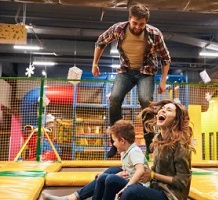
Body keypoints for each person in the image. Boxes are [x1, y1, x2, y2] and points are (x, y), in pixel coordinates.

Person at [92, 3, 171, 158]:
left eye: (141, 24)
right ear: (129, 19)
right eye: (135, 23)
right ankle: (115, 141)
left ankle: (150, 144)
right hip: (126, 71)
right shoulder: (118, 29)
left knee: (145, 101)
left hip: (146, 72)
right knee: (114, 98)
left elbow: (166, 59)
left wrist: (163, 81)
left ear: (146, 22)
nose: (137, 27)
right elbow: (100, 42)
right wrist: (95, 63)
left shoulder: (154, 34)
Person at [42, 119, 149, 200]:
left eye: (114, 141)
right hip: (130, 180)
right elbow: (128, 171)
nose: (113, 144)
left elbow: (140, 170)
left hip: (139, 185)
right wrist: (119, 174)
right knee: (103, 177)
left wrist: (126, 187)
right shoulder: (125, 152)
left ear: (122, 141)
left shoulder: (134, 151)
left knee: (110, 179)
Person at [118, 99, 196, 200]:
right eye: (162, 108)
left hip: (170, 195)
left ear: (176, 120)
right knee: (112, 179)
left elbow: (182, 181)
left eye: (169, 110)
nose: (162, 111)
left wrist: (153, 175)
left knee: (132, 191)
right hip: (156, 187)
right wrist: (134, 172)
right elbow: (155, 169)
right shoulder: (158, 139)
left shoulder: (181, 144)